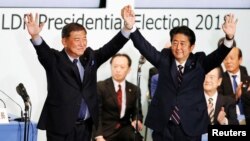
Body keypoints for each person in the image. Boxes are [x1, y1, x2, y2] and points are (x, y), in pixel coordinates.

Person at [121, 5, 237, 141]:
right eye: (175, 43)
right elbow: (145, 47)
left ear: (191, 46)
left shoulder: (199, 62)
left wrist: (229, 38)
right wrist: (131, 27)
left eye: (183, 43)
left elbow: (218, 55)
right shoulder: (164, 59)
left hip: (190, 126)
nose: (178, 47)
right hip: (163, 125)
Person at [23, 11, 132, 141]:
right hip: (60, 129)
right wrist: (35, 36)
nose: (82, 44)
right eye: (77, 40)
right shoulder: (54, 60)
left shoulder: (90, 57)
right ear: (64, 41)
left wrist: (127, 28)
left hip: (85, 128)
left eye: (84, 39)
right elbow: (42, 50)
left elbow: (111, 47)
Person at [94, 53, 143, 141]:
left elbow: (137, 111)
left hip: (125, 129)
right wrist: (99, 136)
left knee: (137, 138)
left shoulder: (134, 89)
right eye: (115, 66)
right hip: (106, 131)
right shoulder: (100, 87)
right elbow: (97, 115)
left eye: (122, 67)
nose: (118, 70)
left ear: (129, 69)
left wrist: (137, 120)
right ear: (111, 67)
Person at [219, 47, 250, 124]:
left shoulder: (247, 79)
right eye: (225, 59)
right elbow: (219, 101)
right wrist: (235, 96)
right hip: (230, 120)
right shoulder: (220, 79)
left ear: (240, 60)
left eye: (231, 58)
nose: (228, 61)